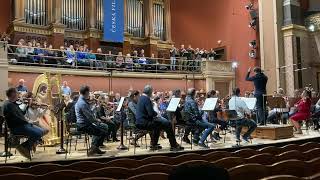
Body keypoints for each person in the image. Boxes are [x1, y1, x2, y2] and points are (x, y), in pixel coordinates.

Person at [135, 85, 184, 151]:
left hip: (140, 121)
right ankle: (173, 145)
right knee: (168, 124)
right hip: (144, 122)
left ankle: (154, 144)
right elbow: (151, 113)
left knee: (158, 125)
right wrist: (157, 114)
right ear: (150, 92)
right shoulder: (146, 99)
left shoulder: (141, 98)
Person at [3, 88, 45, 159]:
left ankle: (26, 146)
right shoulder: (8, 105)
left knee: (41, 131)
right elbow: (17, 118)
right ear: (13, 94)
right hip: (16, 127)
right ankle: (24, 146)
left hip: (22, 125)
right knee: (38, 133)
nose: (18, 95)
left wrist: (28, 105)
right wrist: (27, 122)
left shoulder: (13, 103)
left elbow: (21, 113)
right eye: (17, 93)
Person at [75, 85, 107, 156]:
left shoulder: (82, 101)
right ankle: (92, 150)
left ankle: (95, 148)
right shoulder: (82, 103)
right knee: (102, 131)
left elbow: (89, 114)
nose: (89, 94)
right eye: (89, 92)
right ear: (86, 92)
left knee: (102, 128)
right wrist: (97, 121)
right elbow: (90, 118)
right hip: (83, 125)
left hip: (84, 123)